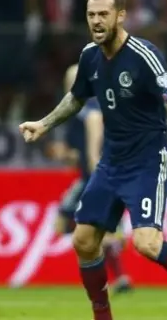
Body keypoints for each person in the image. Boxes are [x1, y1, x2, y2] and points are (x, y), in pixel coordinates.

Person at [18, 0, 167, 320]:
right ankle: (102, 316)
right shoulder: (89, 56)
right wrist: (44, 124)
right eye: (91, 15)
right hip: (112, 161)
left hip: (148, 160)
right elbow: (76, 98)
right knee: (84, 240)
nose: (96, 21)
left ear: (120, 16)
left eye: (103, 14)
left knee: (147, 243)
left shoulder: (145, 55)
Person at [48, 64, 132, 295]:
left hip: (94, 181)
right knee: (68, 227)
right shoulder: (76, 111)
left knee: (76, 227)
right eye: (68, 80)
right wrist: (66, 154)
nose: (70, 84)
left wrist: (100, 181)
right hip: (87, 178)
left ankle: (110, 273)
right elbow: (79, 154)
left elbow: (95, 154)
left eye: (74, 80)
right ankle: (114, 265)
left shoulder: (92, 111)